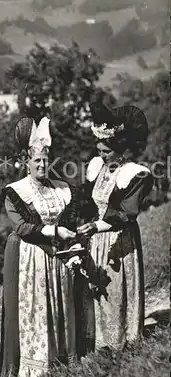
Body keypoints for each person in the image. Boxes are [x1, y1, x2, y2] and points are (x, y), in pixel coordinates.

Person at [0, 116, 84, 377]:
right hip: (33, 257)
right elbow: (22, 227)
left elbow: (70, 219)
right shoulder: (16, 191)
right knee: (36, 309)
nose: (42, 165)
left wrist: (72, 242)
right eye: (37, 161)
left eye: (46, 160)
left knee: (61, 305)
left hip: (59, 258)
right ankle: (37, 368)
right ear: (26, 162)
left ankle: (63, 360)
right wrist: (53, 232)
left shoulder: (60, 189)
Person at [77, 102, 153, 351]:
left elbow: (126, 213)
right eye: (99, 150)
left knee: (115, 291)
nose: (101, 156)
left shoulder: (135, 174)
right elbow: (86, 202)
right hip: (95, 239)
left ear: (120, 150)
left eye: (106, 152)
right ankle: (96, 343)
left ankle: (120, 342)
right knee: (95, 290)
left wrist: (97, 226)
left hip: (119, 239)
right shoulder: (96, 168)